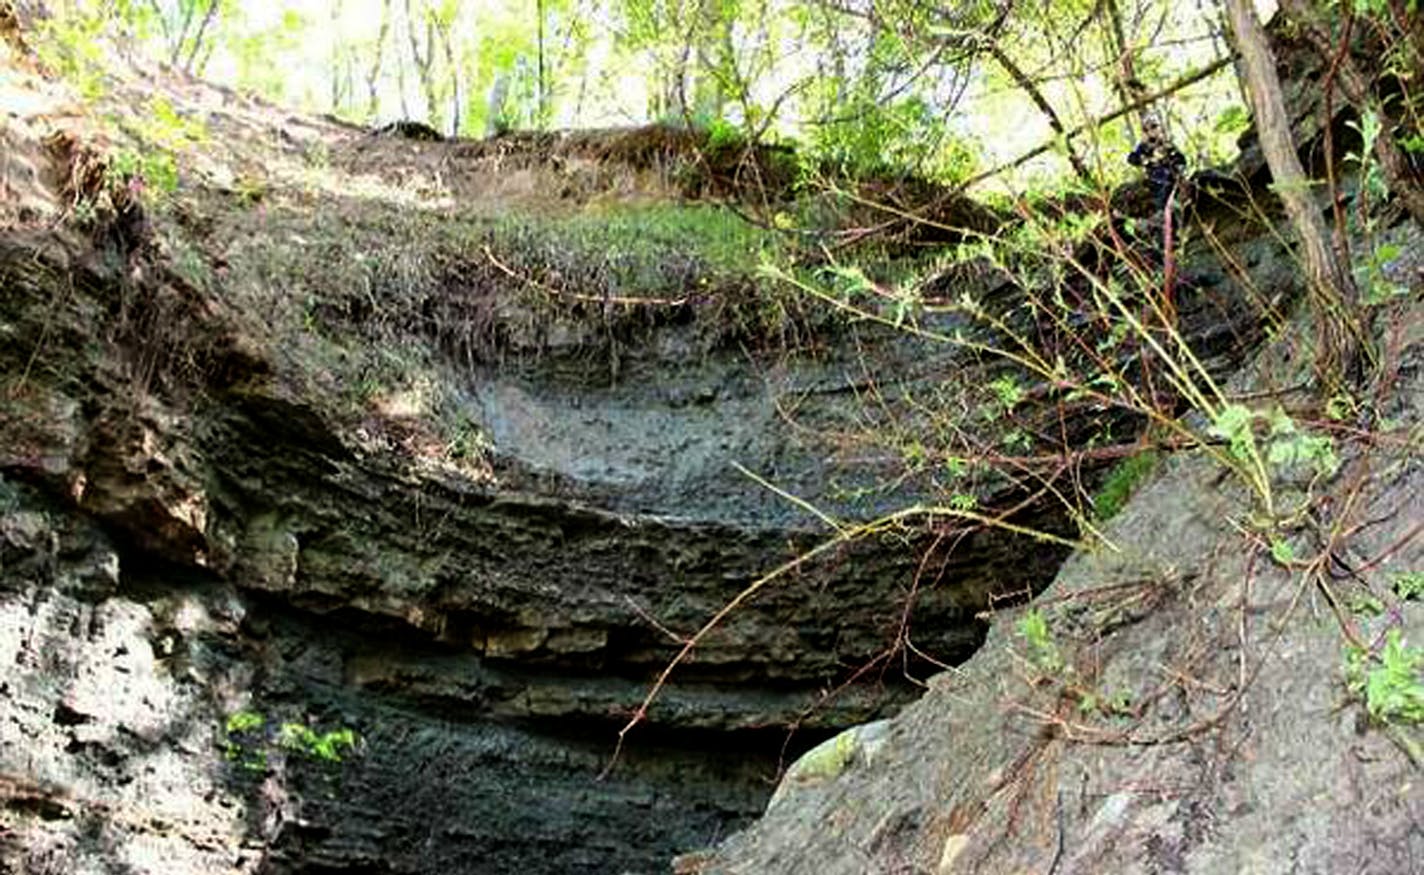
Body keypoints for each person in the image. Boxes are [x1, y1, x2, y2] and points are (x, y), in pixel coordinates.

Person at [1127, 114, 1186, 213]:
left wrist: (1172, 163)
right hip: (1153, 181)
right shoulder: (1143, 147)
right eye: (1146, 129)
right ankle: (1160, 216)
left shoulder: (1168, 144)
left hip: (1171, 179)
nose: (1151, 131)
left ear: (1160, 128)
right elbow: (1131, 159)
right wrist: (1147, 160)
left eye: (1153, 126)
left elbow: (1182, 160)